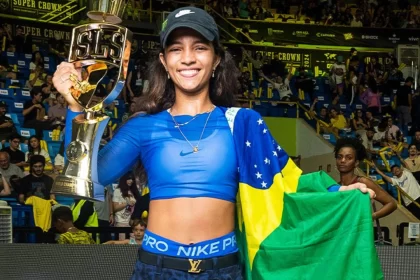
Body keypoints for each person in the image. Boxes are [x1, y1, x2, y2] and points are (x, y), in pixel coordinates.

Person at [53, 7, 376, 279]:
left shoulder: (244, 122)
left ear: (217, 59)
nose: (188, 58)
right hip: (156, 267)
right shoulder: (143, 126)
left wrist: (337, 193)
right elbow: (89, 178)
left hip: (223, 269)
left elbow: (285, 185)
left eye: (200, 47)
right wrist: (74, 106)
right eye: (176, 49)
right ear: (164, 62)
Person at [334, 137, 397, 219]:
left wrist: (370, 217)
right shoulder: (336, 186)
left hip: (358, 230)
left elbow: (391, 204)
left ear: (356, 163)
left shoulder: (363, 182)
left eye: (348, 158)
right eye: (339, 157)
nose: (342, 160)